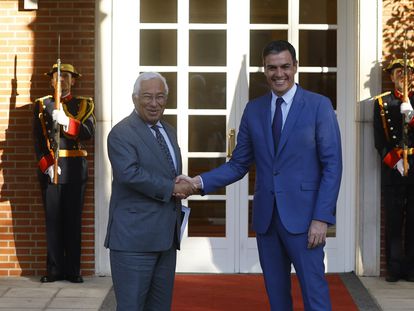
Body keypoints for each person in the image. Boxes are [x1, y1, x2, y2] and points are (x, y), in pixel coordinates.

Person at [179, 40, 342, 310]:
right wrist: (197, 183)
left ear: (296, 67)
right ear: (264, 70)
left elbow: (333, 166)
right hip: (267, 221)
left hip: (306, 222)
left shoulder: (318, 106)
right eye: (272, 68)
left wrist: (322, 218)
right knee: (277, 298)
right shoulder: (254, 109)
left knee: (315, 296)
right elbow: (238, 164)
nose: (279, 74)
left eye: (285, 67)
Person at [104, 72, 194, 310]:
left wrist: (178, 179)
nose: (154, 103)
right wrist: (172, 188)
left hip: (165, 239)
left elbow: (164, 169)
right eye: (147, 97)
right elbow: (130, 173)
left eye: (160, 96)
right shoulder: (121, 133)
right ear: (135, 99)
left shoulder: (169, 130)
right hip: (134, 242)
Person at [33, 63, 95, 283]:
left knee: (72, 221)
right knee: (53, 221)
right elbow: (38, 141)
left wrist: (68, 123)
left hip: (75, 170)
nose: (62, 80)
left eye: (67, 76)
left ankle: (73, 271)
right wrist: (47, 164)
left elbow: (88, 133)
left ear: (74, 80)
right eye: (57, 76)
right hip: (53, 170)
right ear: (51, 81)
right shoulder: (42, 105)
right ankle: (54, 270)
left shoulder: (83, 105)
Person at [373, 58, 414, 282]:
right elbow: (379, 140)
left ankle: (412, 269)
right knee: (394, 219)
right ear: (391, 77)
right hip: (394, 168)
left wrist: (412, 115)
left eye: (407, 73)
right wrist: (394, 161)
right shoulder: (382, 103)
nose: (403, 77)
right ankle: (395, 268)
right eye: (398, 72)